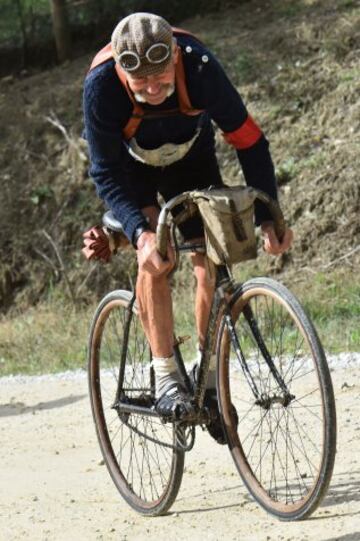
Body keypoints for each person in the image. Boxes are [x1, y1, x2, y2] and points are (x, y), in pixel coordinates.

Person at [83, 12, 293, 442]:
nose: (155, 92)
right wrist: (140, 236)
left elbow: (249, 140)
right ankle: (165, 373)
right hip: (131, 171)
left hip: (192, 161)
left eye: (161, 79)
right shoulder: (101, 85)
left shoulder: (200, 67)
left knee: (211, 256)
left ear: (175, 56)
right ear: (122, 73)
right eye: (141, 86)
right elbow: (104, 173)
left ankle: (208, 375)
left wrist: (269, 214)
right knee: (157, 259)